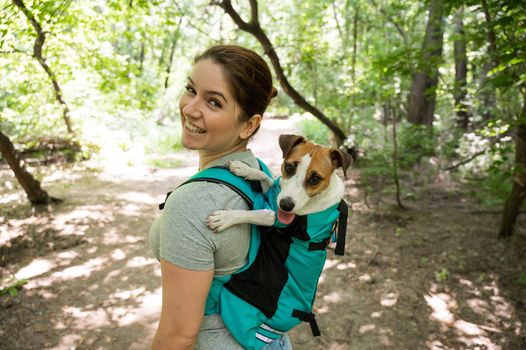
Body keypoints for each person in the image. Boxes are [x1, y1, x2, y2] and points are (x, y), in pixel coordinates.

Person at [149, 45, 292, 350]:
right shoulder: (255, 170)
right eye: (191, 89)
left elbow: (178, 336)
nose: (190, 108)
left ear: (249, 125)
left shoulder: (194, 203)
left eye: (213, 102)